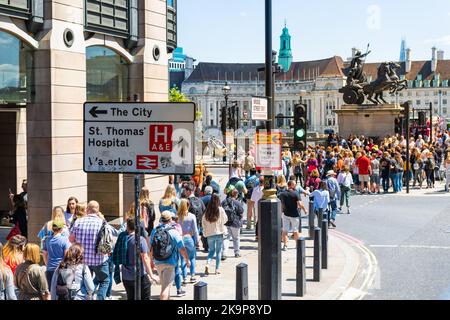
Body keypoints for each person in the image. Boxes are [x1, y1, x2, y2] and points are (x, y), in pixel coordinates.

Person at [69, 201, 112, 300]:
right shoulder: (102, 223)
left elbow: (71, 239)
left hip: (82, 259)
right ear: (98, 210)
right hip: (99, 259)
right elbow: (109, 241)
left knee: (84, 283)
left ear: (87, 209)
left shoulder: (78, 222)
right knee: (104, 280)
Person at [149, 211, 190, 300]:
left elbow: (151, 248)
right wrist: (187, 260)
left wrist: (151, 261)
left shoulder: (154, 231)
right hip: (169, 262)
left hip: (158, 262)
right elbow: (182, 248)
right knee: (165, 287)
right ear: (170, 220)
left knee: (165, 284)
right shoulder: (173, 232)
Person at [116, 217, 158, 300]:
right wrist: (151, 275)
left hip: (126, 276)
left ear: (127, 227)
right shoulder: (140, 239)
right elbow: (145, 258)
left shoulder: (122, 238)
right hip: (140, 275)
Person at [202, 194, 228, 275]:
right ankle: (217, 269)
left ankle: (207, 264)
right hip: (219, 233)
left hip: (210, 234)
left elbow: (203, 222)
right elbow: (225, 219)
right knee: (218, 252)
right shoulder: (220, 209)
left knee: (211, 251)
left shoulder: (207, 211)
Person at [42, 219, 71, 288]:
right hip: (61, 269)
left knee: (51, 290)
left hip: (50, 268)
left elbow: (44, 254)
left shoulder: (47, 239)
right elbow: (66, 255)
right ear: (61, 229)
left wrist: (47, 264)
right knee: (61, 291)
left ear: (52, 229)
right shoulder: (65, 239)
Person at [177, 199, 199, 284]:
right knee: (192, 257)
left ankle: (184, 278)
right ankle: (192, 276)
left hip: (180, 238)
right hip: (189, 238)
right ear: (188, 205)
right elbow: (195, 230)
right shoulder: (191, 216)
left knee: (182, 258)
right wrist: (197, 240)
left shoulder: (177, 216)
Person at [279, 180, 304, 251]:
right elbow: (300, 204)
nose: (295, 186)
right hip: (294, 214)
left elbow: (281, 204)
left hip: (285, 214)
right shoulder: (296, 193)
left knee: (285, 230)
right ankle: (297, 245)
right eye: (294, 184)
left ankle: (285, 245)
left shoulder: (282, 194)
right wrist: (304, 209)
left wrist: (281, 213)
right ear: (291, 185)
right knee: (295, 230)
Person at [221, 188, 244, 258]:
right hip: (235, 223)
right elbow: (241, 212)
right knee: (236, 238)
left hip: (226, 223)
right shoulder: (238, 203)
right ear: (236, 195)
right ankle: (237, 253)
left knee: (226, 238)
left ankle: (224, 253)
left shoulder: (224, 201)